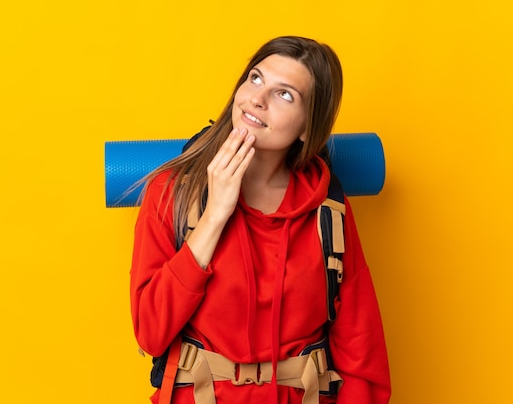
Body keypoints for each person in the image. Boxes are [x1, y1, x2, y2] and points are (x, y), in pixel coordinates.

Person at [130, 36, 391, 404]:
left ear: (306, 128)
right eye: (255, 78)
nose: (257, 98)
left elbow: (362, 358)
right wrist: (215, 216)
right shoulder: (171, 192)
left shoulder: (329, 212)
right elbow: (150, 332)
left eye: (285, 95)